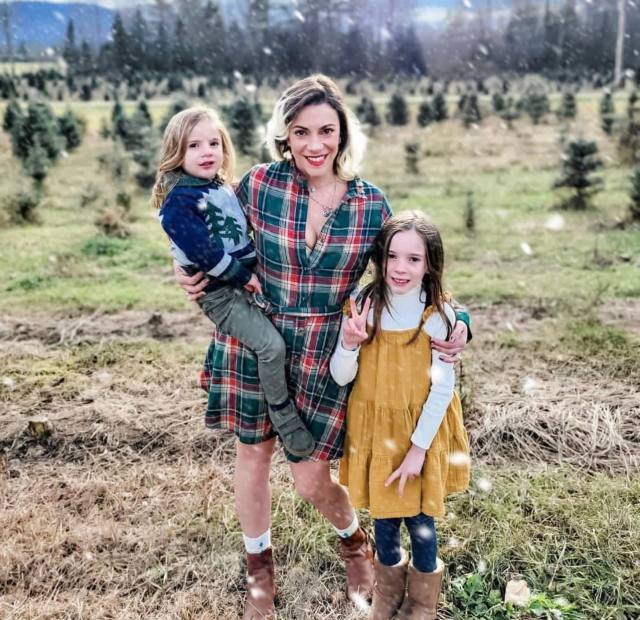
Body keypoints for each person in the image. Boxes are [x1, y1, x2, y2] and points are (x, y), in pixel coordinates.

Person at [174, 76, 471, 619]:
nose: (315, 144)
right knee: (253, 455)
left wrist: (460, 320)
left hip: (322, 352)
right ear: (285, 136)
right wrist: (184, 266)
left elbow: (408, 271)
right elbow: (201, 224)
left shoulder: (369, 204)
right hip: (255, 337)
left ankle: (353, 541)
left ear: (343, 134)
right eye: (301, 132)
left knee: (311, 478)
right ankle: (259, 575)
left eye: (327, 131)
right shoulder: (260, 185)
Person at [330, 211, 471, 620]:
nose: (400, 268)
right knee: (386, 517)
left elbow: (442, 389)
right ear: (380, 258)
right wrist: (349, 343)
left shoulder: (438, 316)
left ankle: (423, 603)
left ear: (430, 264)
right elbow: (341, 376)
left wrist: (418, 450)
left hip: (419, 431)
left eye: (413, 259)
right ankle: (388, 594)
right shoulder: (365, 307)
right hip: (376, 431)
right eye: (392, 256)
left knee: (421, 519)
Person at [152, 106, 315, 457]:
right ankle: (283, 416)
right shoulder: (179, 202)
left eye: (214, 143)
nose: (207, 152)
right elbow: (204, 253)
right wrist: (243, 276)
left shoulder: (218, 186)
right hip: (221, 292)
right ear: (176, 152)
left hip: (242, 280)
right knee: (271, 347)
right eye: (194, 145)